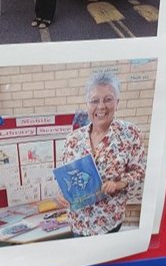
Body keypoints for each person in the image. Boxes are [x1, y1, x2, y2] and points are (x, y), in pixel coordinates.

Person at [60, 71, 146, 236]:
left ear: (117, 102)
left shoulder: (130, 134)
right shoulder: (72, 139)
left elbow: (139, 172)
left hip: (108, 223)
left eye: (108, 99)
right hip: (77, 224)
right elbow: (65, 177)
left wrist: (119, 184)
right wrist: (63, 194)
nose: (101, 106)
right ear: (87, 104)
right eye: (94, 101)